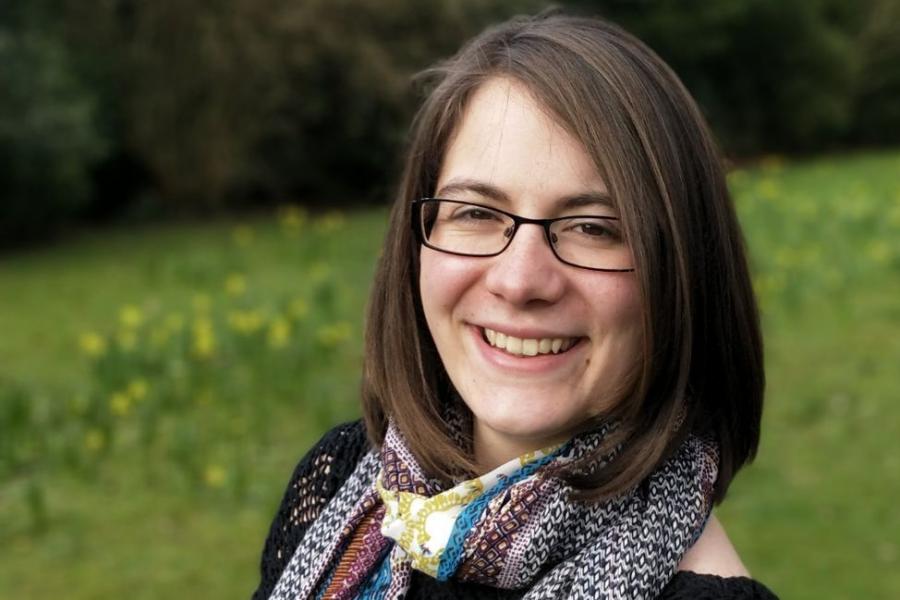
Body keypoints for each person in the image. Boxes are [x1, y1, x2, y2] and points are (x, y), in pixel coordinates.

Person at [252, 11, 778, 600]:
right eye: (476, 213)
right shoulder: (342, 482)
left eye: (593, 228)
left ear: (682, 273)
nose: (520, 280)